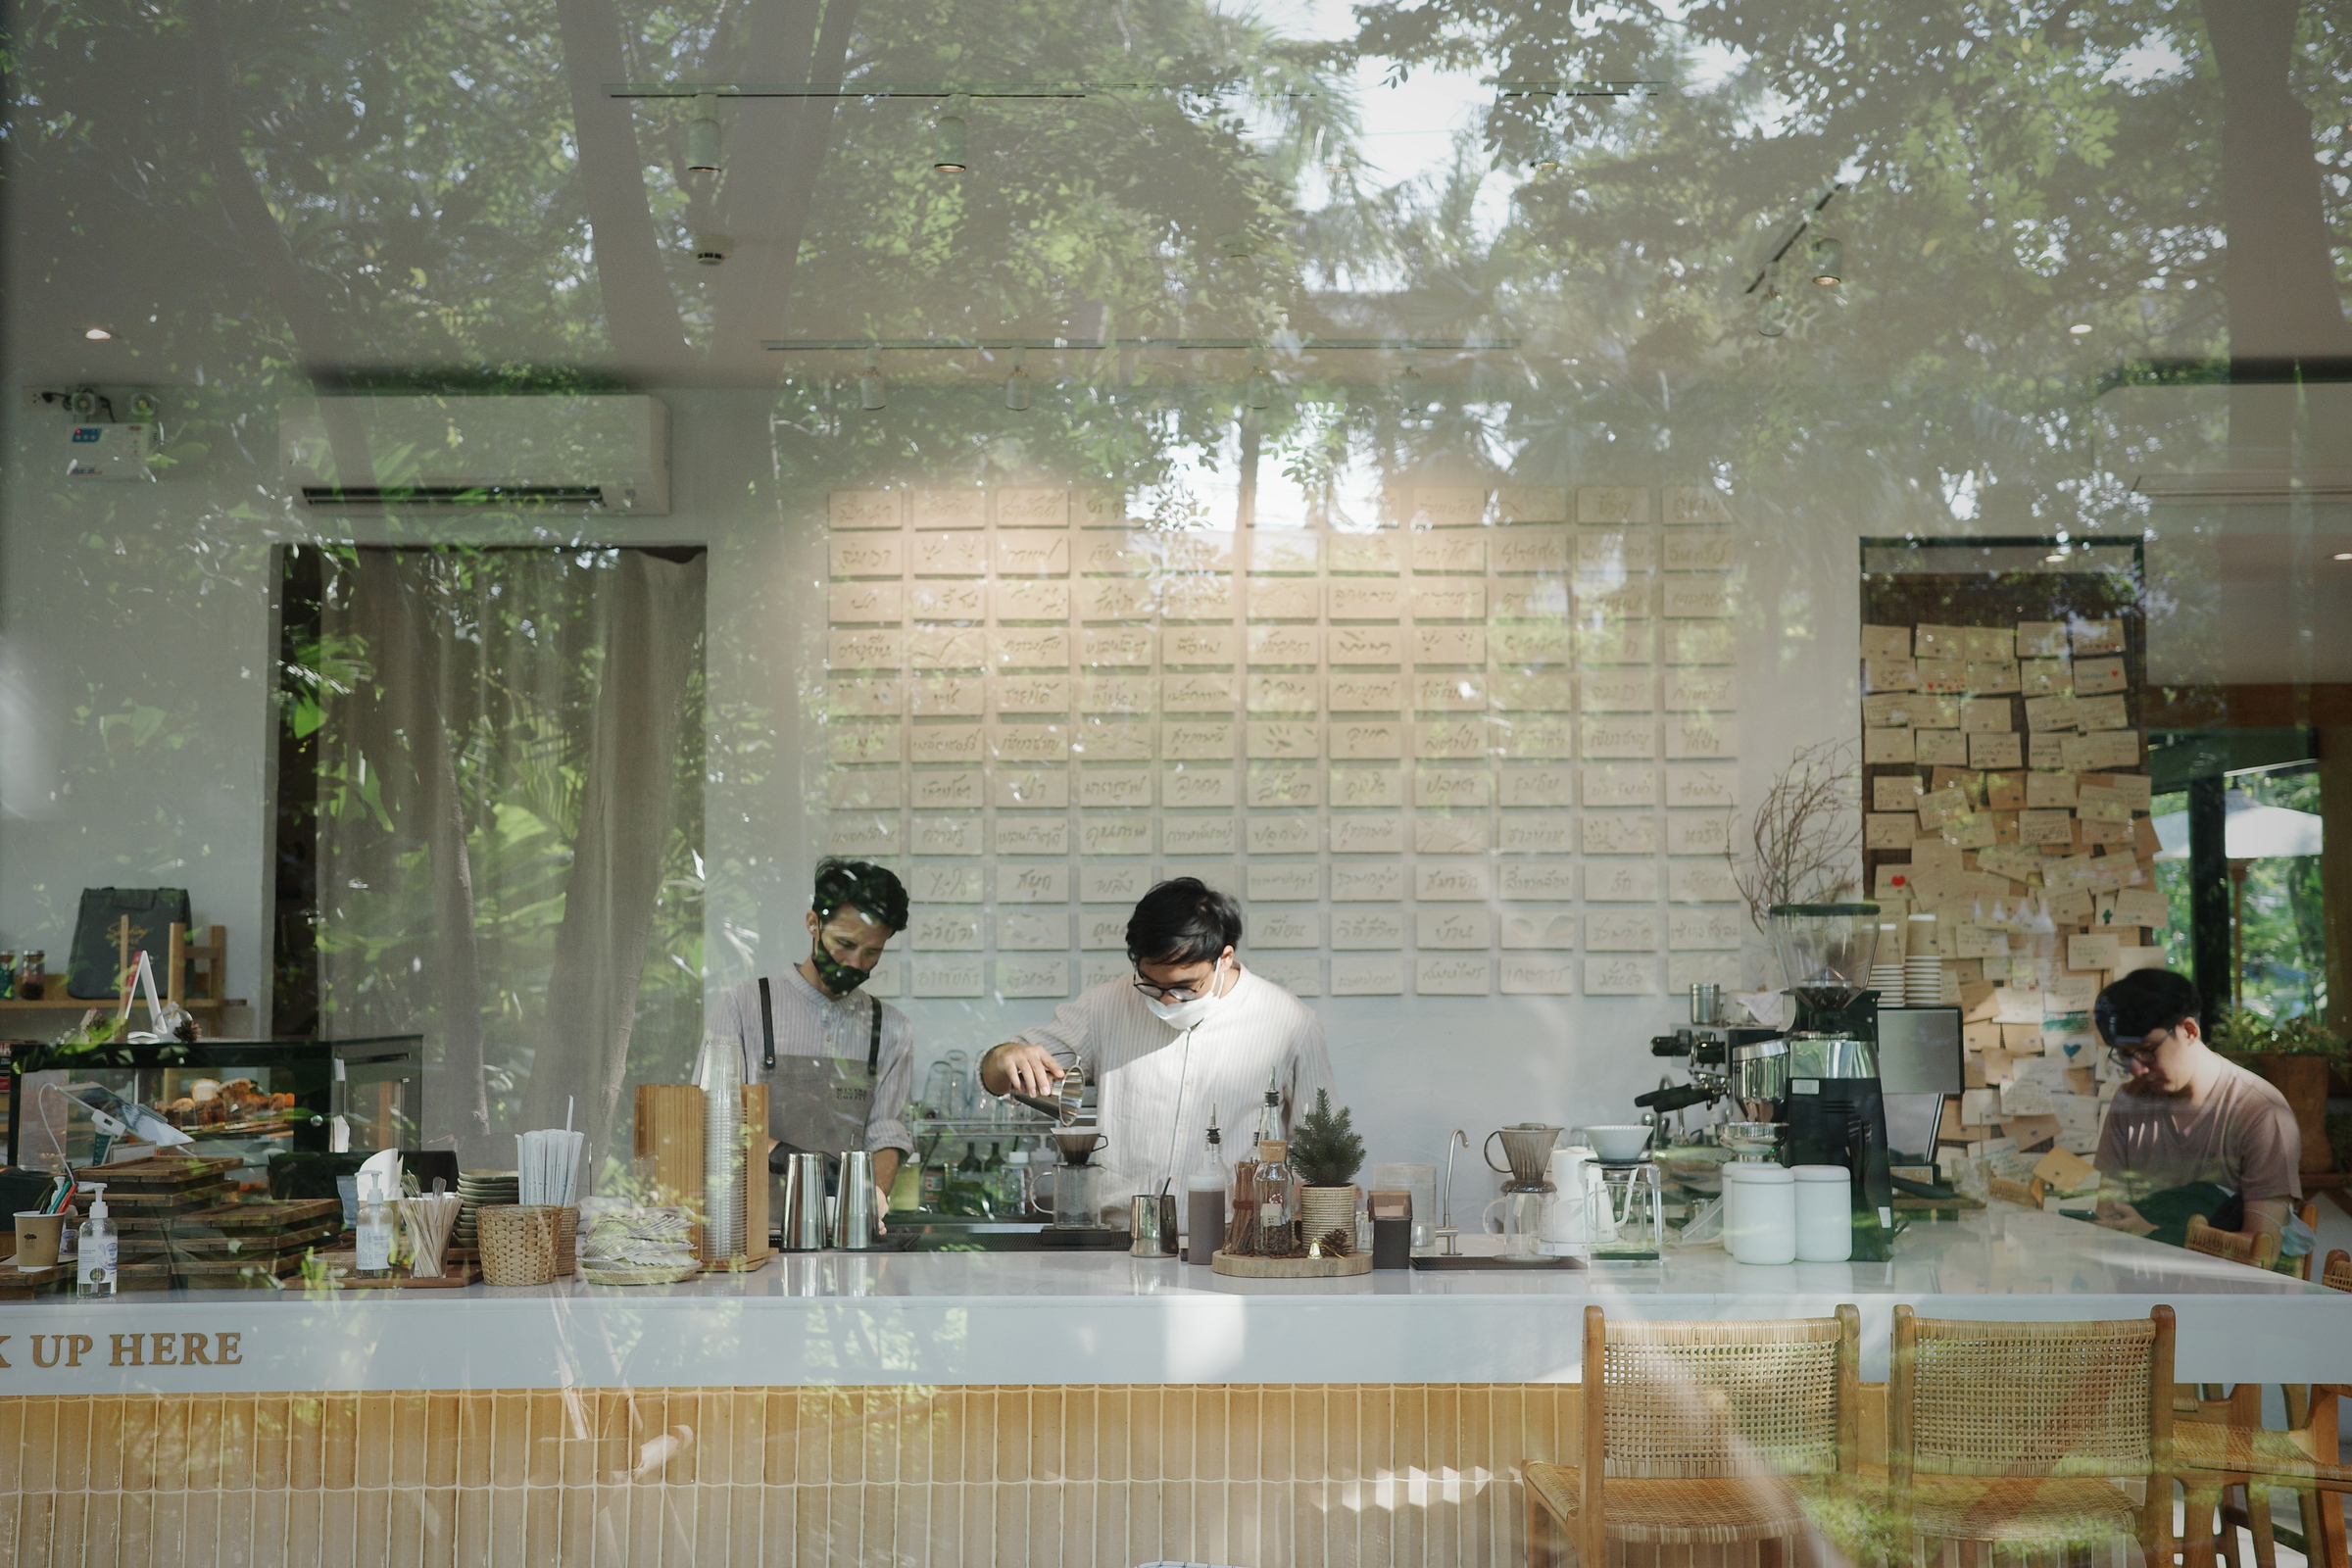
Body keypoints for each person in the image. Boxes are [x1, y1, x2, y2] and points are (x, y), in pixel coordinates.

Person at [979, 877, 1336, 1218]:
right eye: (1151, 985)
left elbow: (1321, 1152)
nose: (1166, 1000)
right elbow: (998, 1078)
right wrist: (1005, 1056)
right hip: (1123, 1235)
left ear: (1224, 958)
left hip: (1235, 1239)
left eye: (1185, 987)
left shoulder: (1290, 1021)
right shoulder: (1104, 1007)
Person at [708, 858, 916, 1193]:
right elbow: (715, 1120)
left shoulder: (891, 1028)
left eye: (872, 952)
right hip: (752, 1217)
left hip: (843, 1218)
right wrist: (790, 1158)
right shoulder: (744, 1006)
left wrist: (873, 1198)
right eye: (845, 944)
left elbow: (886, 1133)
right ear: (813, 924)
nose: (855, 963)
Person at [2090, 968, 2302, 1251]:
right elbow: (2109, 1215)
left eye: (2146, 1050)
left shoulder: (2260, 1112)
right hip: (2138, 1271)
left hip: (2229, 1279)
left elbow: (2264, 1250)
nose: (2137, 1069)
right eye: (2125, 1055)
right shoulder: (2129, 1102)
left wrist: (2156, 1234)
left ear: (2189, 1031)